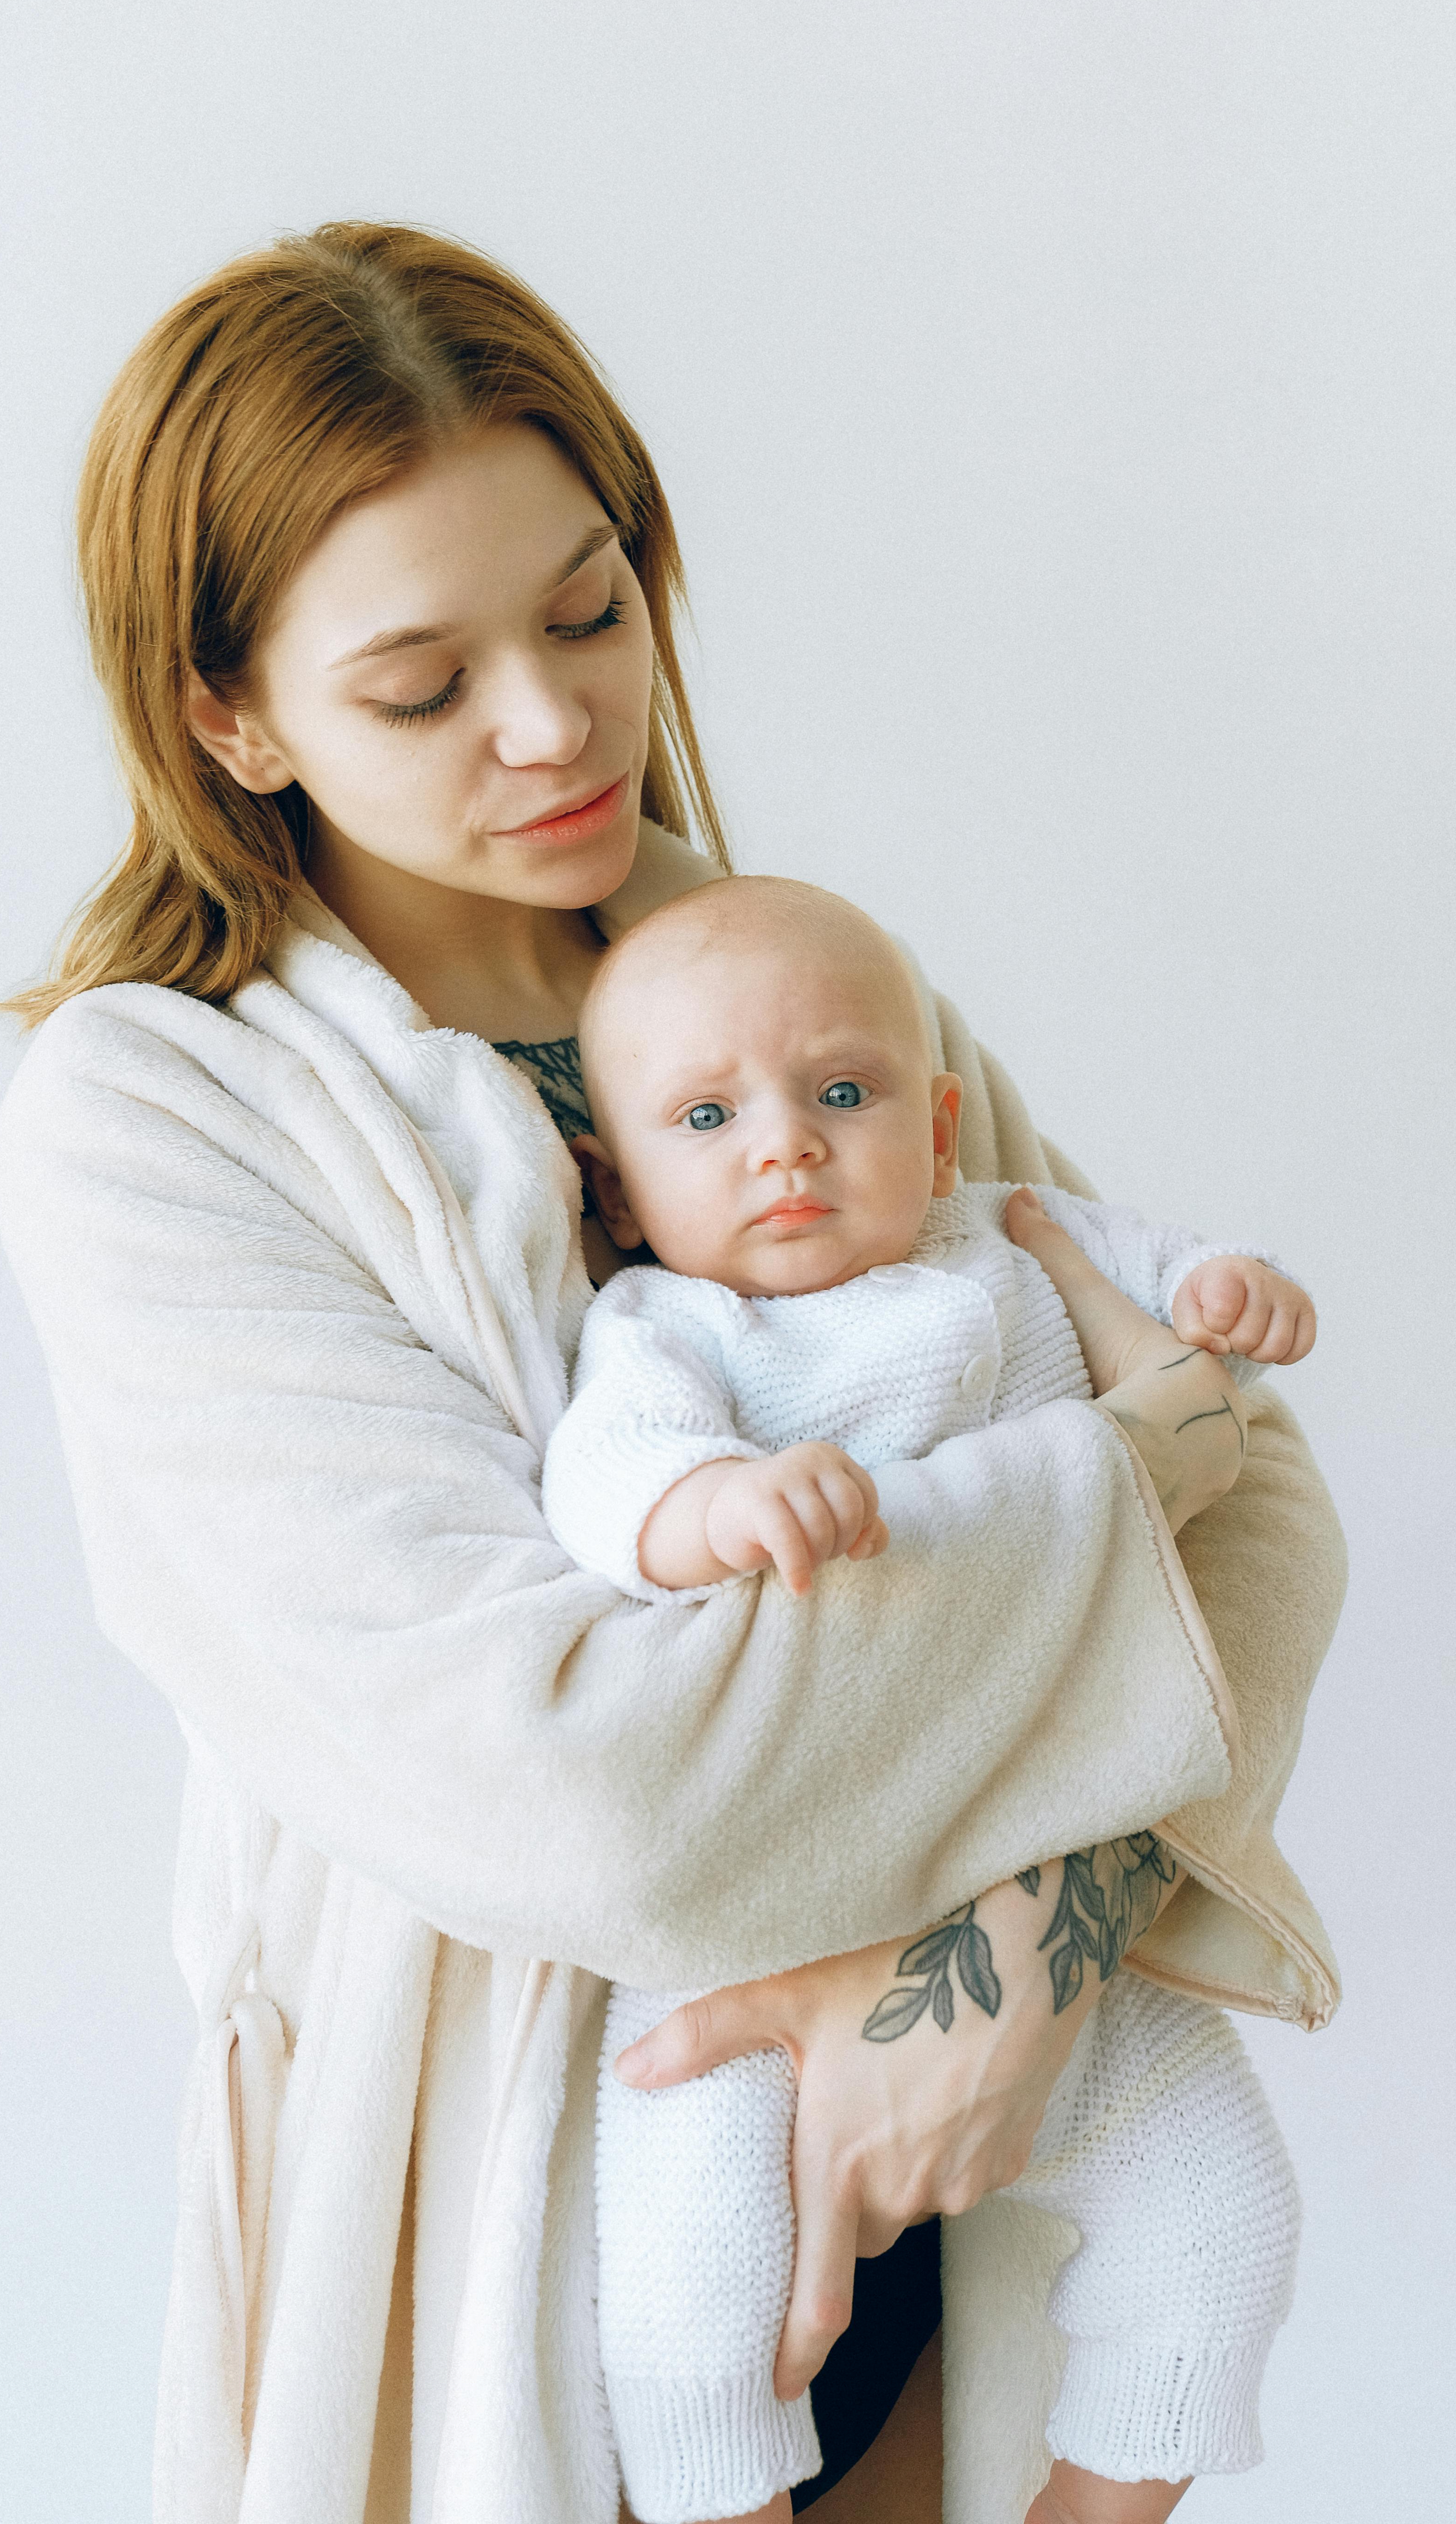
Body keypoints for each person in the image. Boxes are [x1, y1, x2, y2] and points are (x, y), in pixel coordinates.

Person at [0, 222, 1345, 2524]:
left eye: (591, 608)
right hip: (531, 2177)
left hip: (977, 2138)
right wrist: (1104, 1521)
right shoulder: (160, 1125)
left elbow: (1275, 1529)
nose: (553, 724)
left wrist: (1019, 1955)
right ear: (230, 713)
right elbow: (577, 1795)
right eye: (421, 685)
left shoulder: (781, 998)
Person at [541, 876, 1313, 2524]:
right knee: (692, 2313)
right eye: (707, 1116)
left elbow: (1193, 1332)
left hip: (1044, 1871)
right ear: (614, 1186)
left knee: (1222, 2227)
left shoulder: (1020, 1237)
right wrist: (713, 1511)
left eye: (843, 1094)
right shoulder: (670, 1325)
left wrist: (1236, 1299)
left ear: (941, 1121)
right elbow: (609, 1481)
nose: (787, 1147)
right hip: (764, 1927)